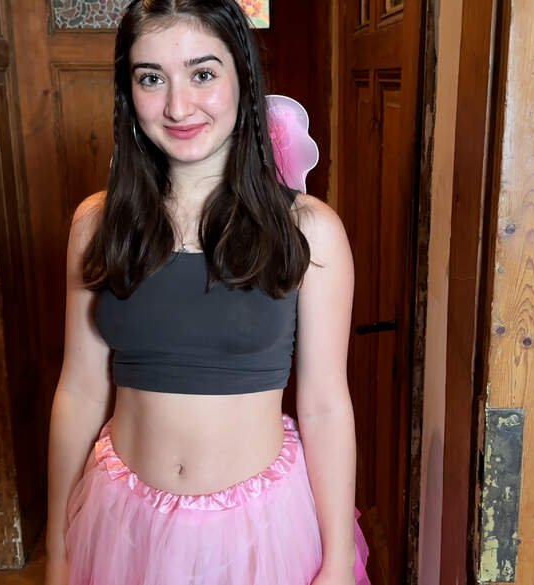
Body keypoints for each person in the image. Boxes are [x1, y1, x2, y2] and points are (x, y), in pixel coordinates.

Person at [44, 1, 370, 584]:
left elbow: (324, 405)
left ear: (243, 77)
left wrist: (340, 560)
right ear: (128, 92)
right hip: (123, 527)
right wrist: (58, 547)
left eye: (202, 74)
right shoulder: (97, 224)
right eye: (151, 78)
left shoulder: (309, 230)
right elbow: (79, 390)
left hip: (260, 534)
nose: (177, 106)